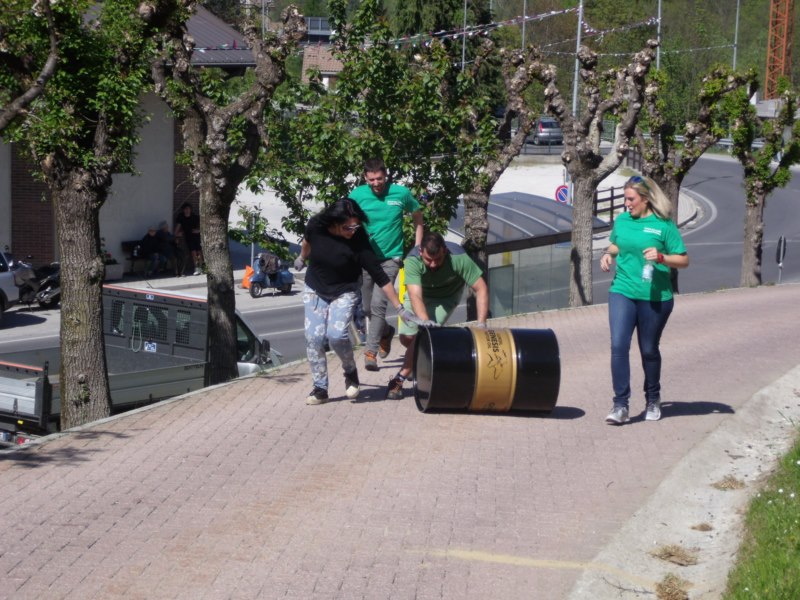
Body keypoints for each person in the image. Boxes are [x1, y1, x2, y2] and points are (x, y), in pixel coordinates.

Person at [294, 198, 421, 406]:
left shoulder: (358, 239)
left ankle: (350, 371)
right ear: (334, 222)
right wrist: (302, 257)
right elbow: (307, 241)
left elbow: (379, 275)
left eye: (356, 225)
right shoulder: (316, 226)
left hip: (345, 290)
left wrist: (399, 307)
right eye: (347, 227)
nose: (353, 230)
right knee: (314, 338)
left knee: (336, 335)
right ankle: (320, 388)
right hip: (315, 288)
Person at [599, 175, 689, 425]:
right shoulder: (623, 221)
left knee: (648, 350)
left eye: (631, 199)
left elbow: (683, 260)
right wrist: (608, 253)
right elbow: (618, 244)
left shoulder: (663, 225)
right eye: (625, 199)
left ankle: (652, 398)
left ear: (646, 198)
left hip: (655, 296)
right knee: (618, 346)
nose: (627, 204)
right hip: (623, 290)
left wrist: (661, 257)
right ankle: (620, 405)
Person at [386, 231, 489, 400]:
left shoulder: (458, 257)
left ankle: (400, 377)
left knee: (423, 336)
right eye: (428, 260)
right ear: (421, 253)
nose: (433, 265)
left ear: (445, 251)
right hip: (419, 295)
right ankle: (416, 362)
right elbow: (415, 296)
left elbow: (481, 288)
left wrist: (482, 324)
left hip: (446, 297)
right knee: (407, 338)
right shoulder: (412, 260)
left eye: (438, 260)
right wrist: (425, 322)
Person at [349, 158, 424, 372]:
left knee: (378, 306)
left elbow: (418, 217)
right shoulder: (357, 195)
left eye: (379, 178)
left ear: (386, 176)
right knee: (365, 308)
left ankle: (370, 352)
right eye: (371, 179)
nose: (376, 183)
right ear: (365, 178)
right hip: (365, 258)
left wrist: (417, 246)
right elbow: (345, 220)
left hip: (391, 258)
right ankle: (386, 333)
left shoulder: (400, 193)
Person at [174, 202, 203, 276]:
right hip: (189, 237)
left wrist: (198, 230)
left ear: (191, 210)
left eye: (189, 209)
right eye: (186, 209)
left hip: (197, 236)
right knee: (193, 253)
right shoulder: (181, 217)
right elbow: (177, 229)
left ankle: (201, 268)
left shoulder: (195, 217)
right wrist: (177, 233)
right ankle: (196, 268)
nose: (187, 210)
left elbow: (203, 227)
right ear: (183, 210)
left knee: (199, 252)